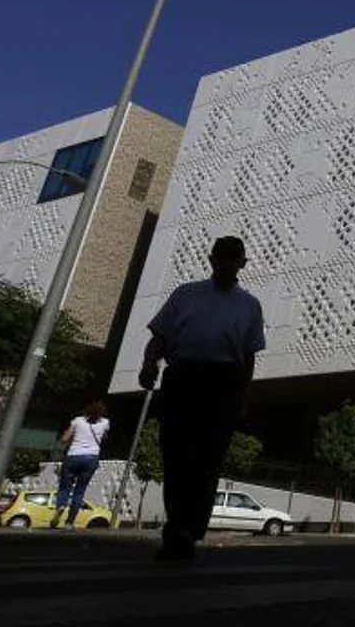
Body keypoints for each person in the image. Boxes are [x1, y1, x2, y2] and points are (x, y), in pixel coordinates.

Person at [139, 235, 265, 560]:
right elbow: (161, 335)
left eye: (232, 258)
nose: (225, 263)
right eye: (220, 257)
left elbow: (248, 357)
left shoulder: (249, 305)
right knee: (175, 452)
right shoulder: (186, 294)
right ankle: (177, 523)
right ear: (211, 260)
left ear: (242, 263)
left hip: (223, 382)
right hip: (182, 376)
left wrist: (243, 397)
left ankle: (189, 529)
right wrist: (149, 363)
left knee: (207, 458)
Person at [51, 401, 110, 529]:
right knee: (80, 490)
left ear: (87, 410)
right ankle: (69, 522)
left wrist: (73, 436)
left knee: (65, 487)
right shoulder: (105, 423)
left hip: (73, 456)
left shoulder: (77, 420)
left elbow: (64, 439)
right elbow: (104, 438)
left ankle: (61, 505)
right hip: (91, 458)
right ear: (102, 413)